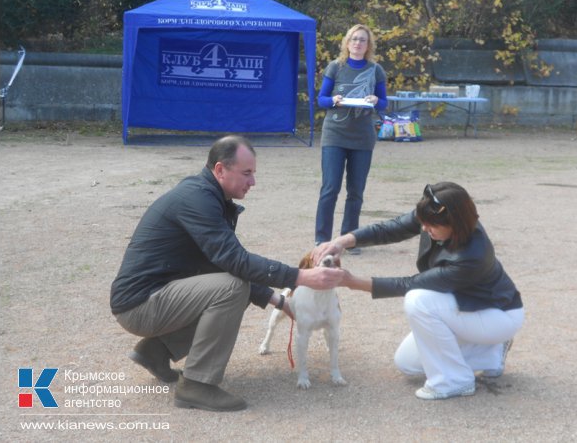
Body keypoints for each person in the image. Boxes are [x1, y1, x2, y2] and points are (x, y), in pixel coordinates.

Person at [110, 135, 344, 412]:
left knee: (235, 285)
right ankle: (197, 385)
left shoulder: (208, 197)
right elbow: (235, 263)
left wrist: (279, 301)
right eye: (247, 173)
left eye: (253, 174)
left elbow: (225, 263)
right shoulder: (197, 200)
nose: (253, 182)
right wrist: (299, 277)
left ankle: (155, 352)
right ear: (220, 170)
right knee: (232, 288)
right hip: (140, 305)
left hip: (155, 296)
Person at [313, 182, 524, 400]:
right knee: (407, 363)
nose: (424, 228)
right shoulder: (434, 212)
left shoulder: (473, 256)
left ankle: (454, 381)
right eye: (422, 222)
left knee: (418, 300)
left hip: (497, 315)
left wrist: (349, 281)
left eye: (430, 226)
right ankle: (491, 353)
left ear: (455, 223)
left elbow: (410, 284)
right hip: (466, 307)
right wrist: (342, 242)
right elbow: (392, 228)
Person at [315, 24, 388, 252]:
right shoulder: (335, 67)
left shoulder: (376, 70)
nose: (358, 43)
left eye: (362, 40)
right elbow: (321, 99)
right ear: (347, 43)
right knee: (330, 188)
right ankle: (322, 239)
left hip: (362, 137)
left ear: (368, 45)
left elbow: (384, 103)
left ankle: (349, 239)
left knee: (356, 192)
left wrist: (376, 101)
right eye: (354, 39)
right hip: (334, 135)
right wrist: (333, 100)